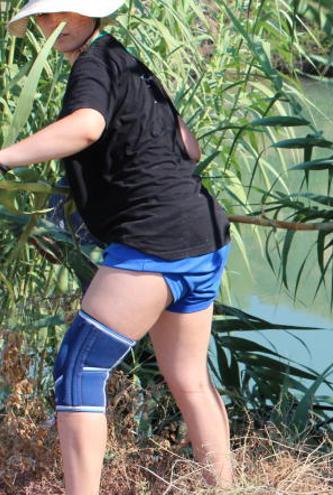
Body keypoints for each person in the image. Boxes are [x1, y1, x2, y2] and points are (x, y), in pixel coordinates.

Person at [1, 1, 233, 492]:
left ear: (91, 16)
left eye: (63, 11)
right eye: (43, 17)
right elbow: (189, 146)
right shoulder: (127, 61)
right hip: (202, 235)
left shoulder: (91, 64)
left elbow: (87, 125)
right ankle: (225, 488)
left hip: (154, 242)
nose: (52, 24)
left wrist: (4, 158)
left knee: (77, 370)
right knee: (189, 378)